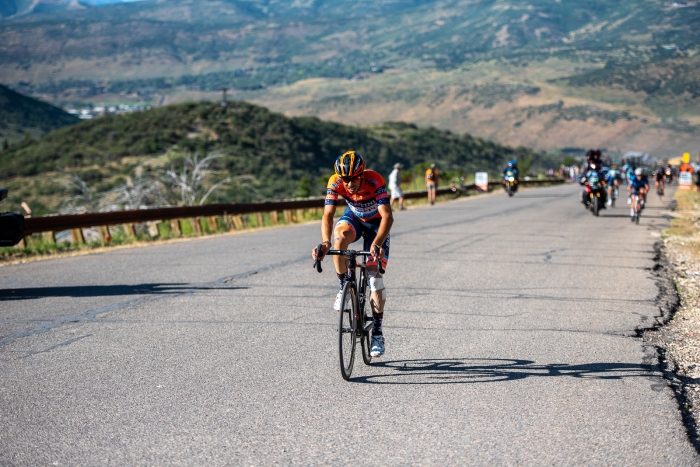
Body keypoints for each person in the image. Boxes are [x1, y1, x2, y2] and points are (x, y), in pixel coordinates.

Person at [312, 150, 394, 357]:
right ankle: (343, 287)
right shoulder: (335, 182)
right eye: (345, 179)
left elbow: (388, 217)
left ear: (362, 175)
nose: (348, 184)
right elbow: (328, 214)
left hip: (377, 224)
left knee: (374, 278)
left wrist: (377, 244)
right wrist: (325, 242)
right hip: (355, 218)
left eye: (353, 179)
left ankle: (377, 332)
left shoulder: (375, 180)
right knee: (339, 242)